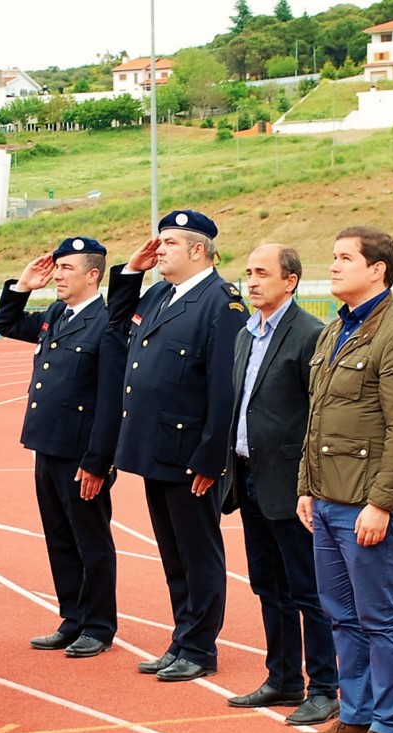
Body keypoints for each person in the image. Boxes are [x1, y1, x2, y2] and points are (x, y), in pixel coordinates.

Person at [294, 225, 393, 733]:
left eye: (345, 257)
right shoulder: (334, 332)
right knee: (340, 615)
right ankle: (355, 715)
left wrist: (382, 503)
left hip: (367, 502)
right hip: (327, 498)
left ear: (378, 269)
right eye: (333, 256)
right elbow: (318, 418)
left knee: (379, 616)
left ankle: (390, 727)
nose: (333, 265)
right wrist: (306, 485)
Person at [106, 210, 247, 682]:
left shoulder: (221, 303)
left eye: (168, 243)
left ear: (197, 250)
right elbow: (116, 324)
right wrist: (130, 271)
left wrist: (212, 455)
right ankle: (181, 638)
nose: (159, 249)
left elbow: (226, 388)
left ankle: (201, 647)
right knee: (173, 553)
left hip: (191, 456)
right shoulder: (163, 292)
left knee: (198, 552)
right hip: (156, 448)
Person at [0, 236, 127, 658]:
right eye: (57, 267)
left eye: (67, 268)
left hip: (81, 454)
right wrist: (23, 286)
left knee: (91, 541)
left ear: (92, 275)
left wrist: (98, 461)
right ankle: (72, 618)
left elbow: (111, 400)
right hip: (47, 446)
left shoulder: (108, 322)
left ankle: (99, 625)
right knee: (60, 538)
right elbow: (7, 324)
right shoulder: (57, 314)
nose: (58, 275)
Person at [224, 243, 338, 726]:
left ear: (289, 280)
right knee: (267, 584)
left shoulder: (309, 334)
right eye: (248, 272)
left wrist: (309, 483)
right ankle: (283, 677)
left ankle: (325, 686)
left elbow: (320, 416)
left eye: (262, 273)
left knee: (307, 589)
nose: (251, 281)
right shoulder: (246, 334)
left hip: (292, 484)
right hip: (249, 477)